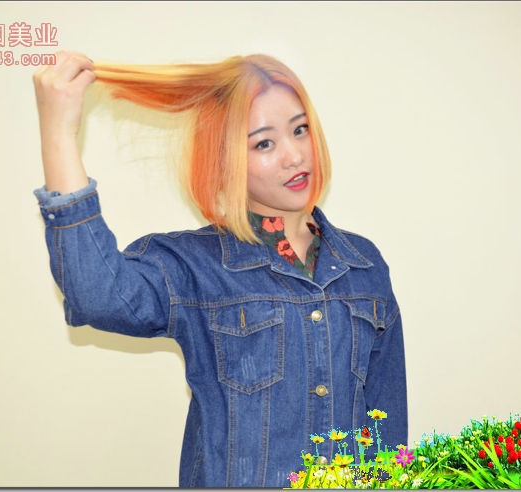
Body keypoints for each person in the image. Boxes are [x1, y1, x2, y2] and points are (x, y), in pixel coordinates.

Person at [32, 50, 407, 487]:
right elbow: (98, 296)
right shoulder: (196, 266)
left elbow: (387, 434)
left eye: (300, 129)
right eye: (263, 143)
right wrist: (58, 132)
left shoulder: (364, 265)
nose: (293, 156)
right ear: (226, 158)